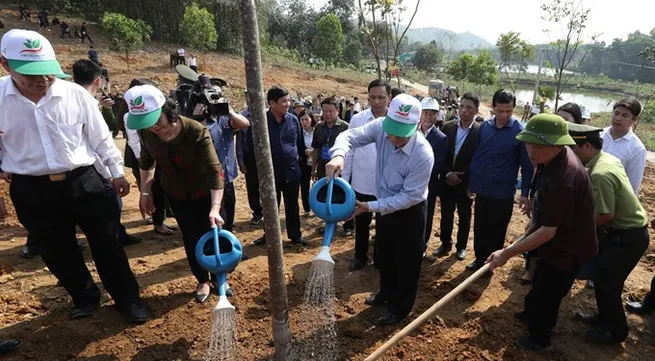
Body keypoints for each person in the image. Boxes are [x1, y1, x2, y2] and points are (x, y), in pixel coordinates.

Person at [0, 29, 146, 323]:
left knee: (108, 246)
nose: (42, 80)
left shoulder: (75, 94)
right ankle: (85, 297)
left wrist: (116, 172)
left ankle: (128, 300)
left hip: (84, 180)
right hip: (32, 190)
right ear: (5, 64)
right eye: (32, 74)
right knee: (58, 252)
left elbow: (101, 137)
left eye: (47, 72)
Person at [486, 114, 597, 351]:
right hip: (554, 241)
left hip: (568, 248)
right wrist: (535, 221)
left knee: (550, 293)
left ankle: (539, 338)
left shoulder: (564, 177)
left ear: (558, 144)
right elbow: (543, 209)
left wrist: (506, 253)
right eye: (528, 143)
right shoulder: (551, 160)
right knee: (540, 281)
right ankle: (530, 313)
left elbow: (548, 231)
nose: (531, 151)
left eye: (539, 145)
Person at [326, 93, 434, 325]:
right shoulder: (380, 127)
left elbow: (409, 197)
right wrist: (338, 156)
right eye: (391, 130)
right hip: (384, 206)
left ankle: (399, 308)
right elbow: (350, 135)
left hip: (409, 212)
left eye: (400, 134)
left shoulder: (423, 154)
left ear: (417, 126)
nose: (393, 137)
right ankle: (385, 293)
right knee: (384, 256)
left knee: (406, 263)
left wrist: (370, 207)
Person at [125, 84, 226, 303]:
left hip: (206, 193)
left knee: (213, 235)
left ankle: (219, 278)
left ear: (168, 111)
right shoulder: (147, 132)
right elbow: (146, 160)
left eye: (157, 122)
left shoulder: (196, 131)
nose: (153, 128)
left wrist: (215, 208)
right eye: (147, 124)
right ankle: (202, 280)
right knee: (191, 237)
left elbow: (215, 170)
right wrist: (145, 191)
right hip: (177, 193)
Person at [568, 123, 649, 345]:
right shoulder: (605, 159)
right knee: (604, 276)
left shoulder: (600, 174)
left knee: (607, 282)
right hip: (623, 233)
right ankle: (603, 318)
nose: (571, 154)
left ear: (586, 146)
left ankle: (616, 331)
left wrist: (575, 227)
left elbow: (605, 215)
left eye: (574, 148)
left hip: (628, 236)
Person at [72, 59, 142, 246]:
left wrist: (107, 109)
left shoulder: (66, 103)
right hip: (96, 170)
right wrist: (115, 173)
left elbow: (112, 128)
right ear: (98, 81)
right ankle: (113, 238)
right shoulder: (88, 105)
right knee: (111, 205)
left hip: (76, 174)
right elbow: (103, 141)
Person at [467, 89, 533, 272]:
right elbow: (478, 158)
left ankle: (490, 264)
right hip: (483, 189)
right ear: (492, 108)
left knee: (497, 230)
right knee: (480, 226)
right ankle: (479, 258)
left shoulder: (520, 132)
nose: (504, 115)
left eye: (509, 111)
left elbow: (526, 167)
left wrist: (525, 193)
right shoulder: (485, 128)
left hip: (503, 193)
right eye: (500, 111)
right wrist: (472, 184)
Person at [342, 79, 391, 271]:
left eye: (381, 97)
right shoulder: (358, 119)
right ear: (368, 97)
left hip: (386, 186)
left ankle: (380, 258)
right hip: (361, 183)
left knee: (384, 225)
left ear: (390, 98)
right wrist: (345, 180)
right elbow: (350, 150)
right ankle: (360, 256)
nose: (377, 102)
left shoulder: (396, 122)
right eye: (373, 97)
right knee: (361, 224)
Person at [118, 79, 176, 235]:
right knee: (153, 189)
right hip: (142, 156)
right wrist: (144, 162)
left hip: (154, 155)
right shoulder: (130, 117)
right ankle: (158, 222)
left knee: (162, 188)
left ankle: (164, 215)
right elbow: (135, 141)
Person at [253, 86, 307, 246]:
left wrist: (301, 166)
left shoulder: (293, 120)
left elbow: (300, 144)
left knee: (292, 206)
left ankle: (295, 236)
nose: (288, 104)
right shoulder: (261, 122)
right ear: (272, 103)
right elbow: (252, 146)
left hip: (291, 171)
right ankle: (269, 234)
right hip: (269, 174)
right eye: (284, 101)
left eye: (288, 100)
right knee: (270, 207)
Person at [435, 93, 481, 260]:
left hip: (465, 183)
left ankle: (461, 247)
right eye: (462, 106)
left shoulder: (480, 132)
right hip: (446, 180)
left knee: (464, 215)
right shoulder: (447, 127)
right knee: (446, 214)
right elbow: (441, 154)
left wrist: (462, 177)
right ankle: (445, 243)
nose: (464, 111)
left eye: (469, 108)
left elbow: (478, 159)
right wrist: (447, 173)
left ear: (476, 110)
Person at [205, 89, 251, 232]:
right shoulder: (203, 121)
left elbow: (245, 124)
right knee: (216, 210)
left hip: (228, 175)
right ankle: (218, 242)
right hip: (210, 177)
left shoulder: (226, 119)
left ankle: (227, 238)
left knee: (229, 208)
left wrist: (229, 111)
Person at [312, 96, 352, 236]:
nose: (327, 114)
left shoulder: (345, 127)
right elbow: (316, 149)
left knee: (343, 194)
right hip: (324, 166)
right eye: (325, 111)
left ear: (338, 110)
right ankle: (330, 222)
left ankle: (348, 225)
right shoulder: (319, 127)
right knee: (326, 194)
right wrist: (314, 169)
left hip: (342, 167)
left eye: (330, 111)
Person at [418, 97, 448, 256]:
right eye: (425, 112)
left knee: (426, 216)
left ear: (437, 116)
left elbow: (439, 165)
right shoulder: (412, 132)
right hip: (408, 183)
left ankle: (422, 245)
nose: (428, 116)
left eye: (432, 113)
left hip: (428, 185)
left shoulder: (441, 138)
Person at [600, 98, 646, 195]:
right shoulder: (598, 135)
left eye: (625, 115)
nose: (618, 118)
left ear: (634, 120)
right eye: (616, 113)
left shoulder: (637, 148)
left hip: (613, 198)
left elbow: (633, 184)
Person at [236, 93, 263, 225]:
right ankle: (257, 212)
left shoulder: (266, 114)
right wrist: (240, 161)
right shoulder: (241, 116)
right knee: (252, 186)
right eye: (247, 96)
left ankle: (267, 210)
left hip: (264, 156)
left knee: (267, 185)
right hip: (249, 157)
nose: (249, 99)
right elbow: (239, 141)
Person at [298, 110, 317, 217]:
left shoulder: (317, 130)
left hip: (316, 162)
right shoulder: (299, 132)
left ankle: (318, 207)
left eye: (306, 119)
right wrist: (305, 151)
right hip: (304, 163)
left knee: (317, 185)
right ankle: (307, 208)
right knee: (304, 186)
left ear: (311, 119)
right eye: (302, 120)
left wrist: (315, 151)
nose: (304, 122)